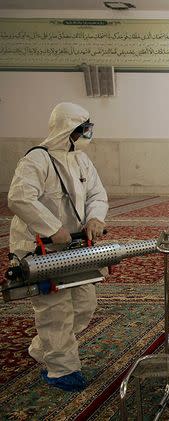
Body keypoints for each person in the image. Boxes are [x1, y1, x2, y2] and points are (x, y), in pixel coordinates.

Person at [7, 102, 108, 392]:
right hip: (40, 251)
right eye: (83, 130)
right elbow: (19, 198)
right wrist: (53, 229)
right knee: (56, 311)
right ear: (69, 130)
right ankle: (61, 370)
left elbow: (97, 193)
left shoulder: (82, 160)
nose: (87, 135)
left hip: (74, 249)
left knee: (85, 304)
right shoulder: (36, 160)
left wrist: (95, 218)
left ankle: (44, 348)